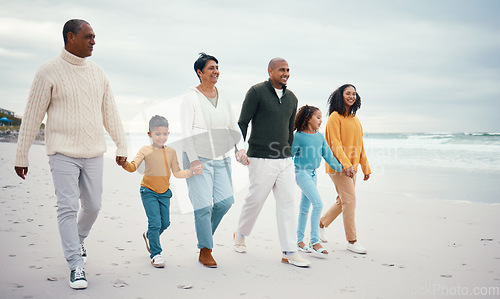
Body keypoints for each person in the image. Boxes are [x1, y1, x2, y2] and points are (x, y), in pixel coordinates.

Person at [14, 19, 128, 289]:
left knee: (93, 206)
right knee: (67, 207)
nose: (93, 42)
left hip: (93, 153)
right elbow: (32, 116)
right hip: (62, 152)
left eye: (94, 37)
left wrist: (121, 146)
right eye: (88, 37)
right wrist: (22, 155)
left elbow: (110, 113)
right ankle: (76, 265)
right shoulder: (48, 72)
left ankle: (78, 239)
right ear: (70, 37)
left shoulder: (99, 73)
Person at [234, 57, 311, 267]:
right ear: (270, 71)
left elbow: (289, 130)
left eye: (288, 70)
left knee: (287, 203)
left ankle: (289, 251)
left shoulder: (292, 98)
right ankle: (240, 234)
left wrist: (291, 153)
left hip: (285, 160)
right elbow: (242, 122)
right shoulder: (256, 92)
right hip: (260, 157)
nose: (286, 73)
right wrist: (240, 149)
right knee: (255, 200)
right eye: (281, 70)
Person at [180, 53, 248, 268]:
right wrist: (193, 161)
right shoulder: (190, 97)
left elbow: (232, 125)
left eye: (217, 67)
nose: (216, 71)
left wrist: (240, 149)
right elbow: (186, 131)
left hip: (221, 158)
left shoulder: (223, 95)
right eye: (210, 68)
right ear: (200, 72)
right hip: (197, 158)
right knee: (203, 207)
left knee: (225, 202)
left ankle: (204, 235)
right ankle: (205, 249)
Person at [122, 115, 200, 268]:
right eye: (157, 134)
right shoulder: (145, 150)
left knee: (165, 223)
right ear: (150, 134)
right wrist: (124, 163)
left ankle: (150, 235)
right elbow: (132, 167)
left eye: (164, 134)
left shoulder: (171, 152)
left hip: (164, 193)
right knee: (155, 222)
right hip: (148, 191)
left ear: (168, 134)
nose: (161, 137)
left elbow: (177, 172)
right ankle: (155, 254)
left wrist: (190, 172)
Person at [319, 84, 371, 254]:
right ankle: (352, 240)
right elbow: (335, 144)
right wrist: (346, 165)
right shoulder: (335, 117)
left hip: (352, 168)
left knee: (343, 201)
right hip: (338, 167)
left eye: (354, 93)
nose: (351, 96)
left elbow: (360, 145)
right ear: (340, 96)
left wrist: (365, 167)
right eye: (348, 93)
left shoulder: (355, 119)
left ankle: (321, 223)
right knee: (350, 201)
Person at [291, 105, 343, 257]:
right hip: (301, 173)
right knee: (318, 203)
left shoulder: (320, 137)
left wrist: (343, 168)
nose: (321, 121)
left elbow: (328, 156)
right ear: (308, 118)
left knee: (304, 208)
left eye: (321, 118)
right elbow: (289, 155)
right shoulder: (298, 136)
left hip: (313, 174)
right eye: (318, 117)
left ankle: (299, 241)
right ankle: (314, 242)